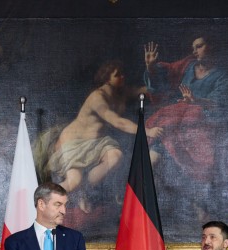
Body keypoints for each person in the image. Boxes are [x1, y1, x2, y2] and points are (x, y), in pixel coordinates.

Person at [40, 60, 163, 213]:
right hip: (74, 142)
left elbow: (149, 89)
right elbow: (117, 122)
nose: (122, 77)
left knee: (115, 156)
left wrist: (150, 67)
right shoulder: (97, 97)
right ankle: (41, 202)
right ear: (106, 78)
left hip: (97, 142)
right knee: (74, 182)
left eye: (122, 74)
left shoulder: (121, 93)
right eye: (117, 75)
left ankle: (85, 190)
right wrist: (146, 131)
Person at [143, 36, 228, 184]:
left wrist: (195, 100)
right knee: (155, 152)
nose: (195, 51)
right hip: (175, 121)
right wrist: (150, 67)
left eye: (199, 46)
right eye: (193, 48)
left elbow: (218, 103)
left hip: (199, 124)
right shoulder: (187, 67)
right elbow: (163, 81)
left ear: (211, 47)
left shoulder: (221, 76)